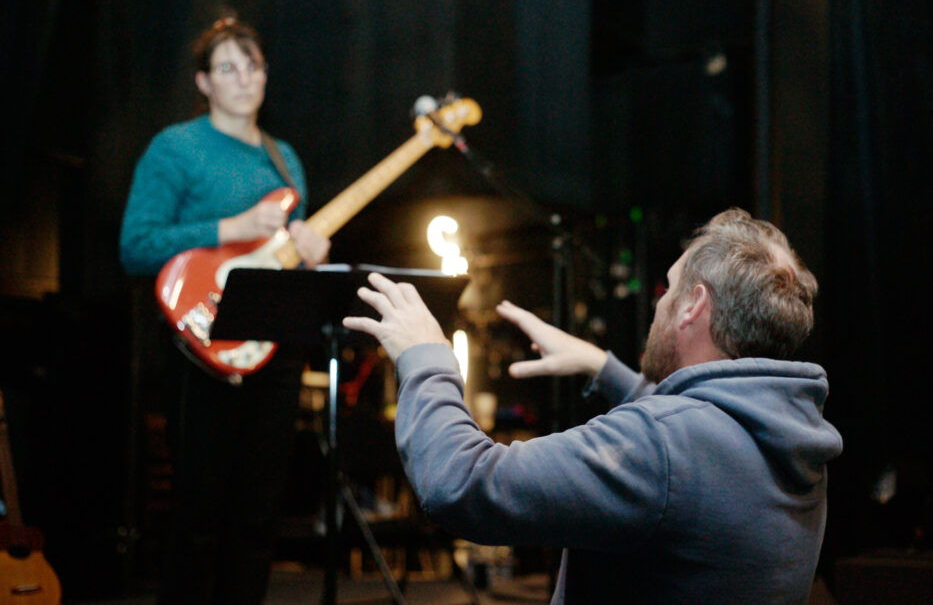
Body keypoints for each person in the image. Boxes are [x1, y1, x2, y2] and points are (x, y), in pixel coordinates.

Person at [342, 207, 843, 604]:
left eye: (668, 289)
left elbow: (462, 483)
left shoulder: (662, 444)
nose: (659, 303)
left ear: (693, 305)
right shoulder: (790, 435)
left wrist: (426, 358)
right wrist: (601, 366)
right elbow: (695, 451)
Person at [119, 13, 330, 604]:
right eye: (227, 68)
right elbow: (135, 246)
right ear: (203, 81)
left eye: (253, 66)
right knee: (198, 513)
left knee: (258, 515)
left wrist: (312, 251)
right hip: (200, 342)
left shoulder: (284, 158)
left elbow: (283, 255)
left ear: (266, 74)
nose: (243, 78)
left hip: (274, 343)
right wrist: (230, 227)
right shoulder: (174, 148)